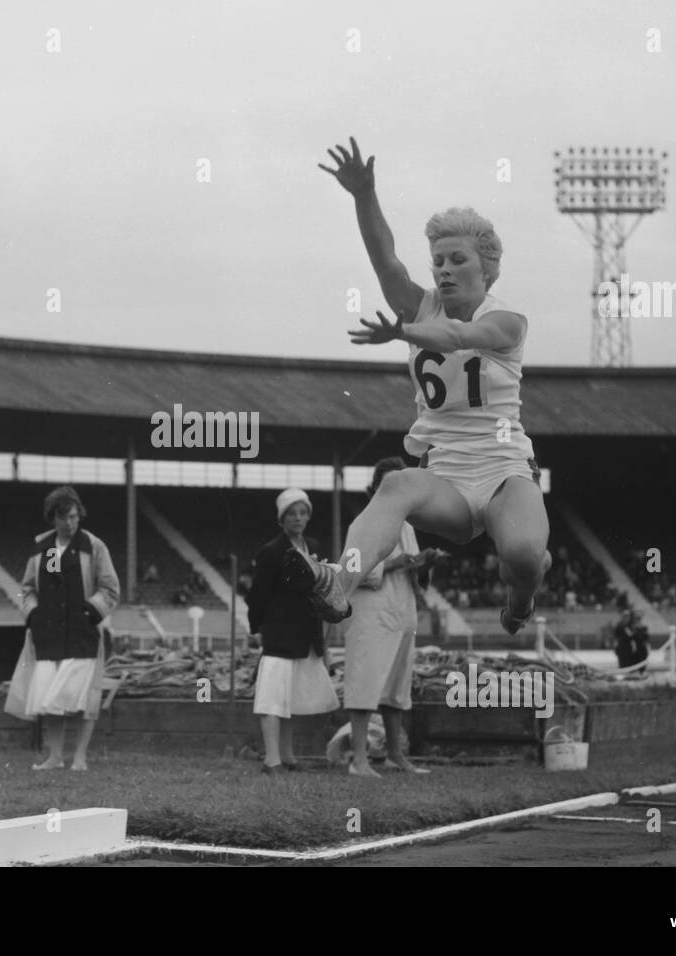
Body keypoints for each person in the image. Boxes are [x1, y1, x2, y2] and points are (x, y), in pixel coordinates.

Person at [296, 138, 550, 633]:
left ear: (486, 267)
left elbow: (458, 336)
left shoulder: (508, 322)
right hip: (446, 474)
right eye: (438, 261)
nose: (444, 270)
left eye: (457, 260)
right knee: (395, 484)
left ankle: (521, 600)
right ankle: (339, 583)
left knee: (522, 555)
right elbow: (385, 259)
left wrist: (403, 332)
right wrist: (363, 196)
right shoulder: (419, 305)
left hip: (503, 468)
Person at [6, 486, 120, 771]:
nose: (69, 523)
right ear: (52, 519)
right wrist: (32, 611)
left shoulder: (93, 546)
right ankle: (55, 756)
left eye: (73, 517)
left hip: (83, 634)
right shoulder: (40, 547)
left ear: (79, 515)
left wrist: (90, 611)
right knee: (50, 699)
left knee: (84, 697)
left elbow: (111, 589)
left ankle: (80, 757)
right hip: (49, 634)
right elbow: (26, 589)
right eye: (62, 518)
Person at [341, 459, 441, 777]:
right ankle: (359, 759)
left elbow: (416, 577)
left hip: (401, 612)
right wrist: (397, 563)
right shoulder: (363, 524)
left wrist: (424, 565)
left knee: (397, 688)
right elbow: (350, 571)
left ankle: (396, 755)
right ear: (374, 489)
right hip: (371, 612)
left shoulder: (407, 526)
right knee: (366, 683)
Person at [245, 489, 339, 773]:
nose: (298, 518)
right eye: (292, 513)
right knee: (273, 698)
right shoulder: (271, 551)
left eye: (303, 512)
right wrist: (255, 628)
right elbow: (257, 595)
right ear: (282, 519)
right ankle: (271, 759)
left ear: (308, 516)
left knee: (292, 699)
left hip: (306, 633)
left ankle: (287, 756)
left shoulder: (312, 546)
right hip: (278, 633)